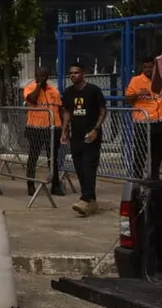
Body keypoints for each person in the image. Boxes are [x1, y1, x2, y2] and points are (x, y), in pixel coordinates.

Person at [61, 63, 107, 217]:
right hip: (77, 135)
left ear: (83, 74)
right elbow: (67, 112)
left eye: (76, 72)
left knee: (89, 167)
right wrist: (65, 130)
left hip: (91, 134)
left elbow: (102, 111)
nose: (73, 75)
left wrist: (96, 129)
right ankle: (90, 200)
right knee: (79, 167)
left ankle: (86, 198)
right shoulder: (68, 92)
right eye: (71, 73)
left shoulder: (93, 90)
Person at [24, 68, 65, 197]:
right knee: (33, 157)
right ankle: (30, 185)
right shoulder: (30, 88)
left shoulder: (54, 91)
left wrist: (64, 128)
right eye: (37, 76)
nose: (38, 78)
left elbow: (60, 110)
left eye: (42, 76)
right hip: (36, 128)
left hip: (53, 128)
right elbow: (33, 100)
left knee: (52, 158)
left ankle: (55, 185)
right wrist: (38, 86)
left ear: (47, 77)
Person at [124, 58, 162, 181]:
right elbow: (128, 99)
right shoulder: (136, 81)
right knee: (140, 152)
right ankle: (137, 178)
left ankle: (154, 179)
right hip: (142, 122)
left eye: (150, 67)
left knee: (157, 152)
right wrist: (138, 94)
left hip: (158, 121)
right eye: (145, 67)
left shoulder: (159, 80)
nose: (148, 70)